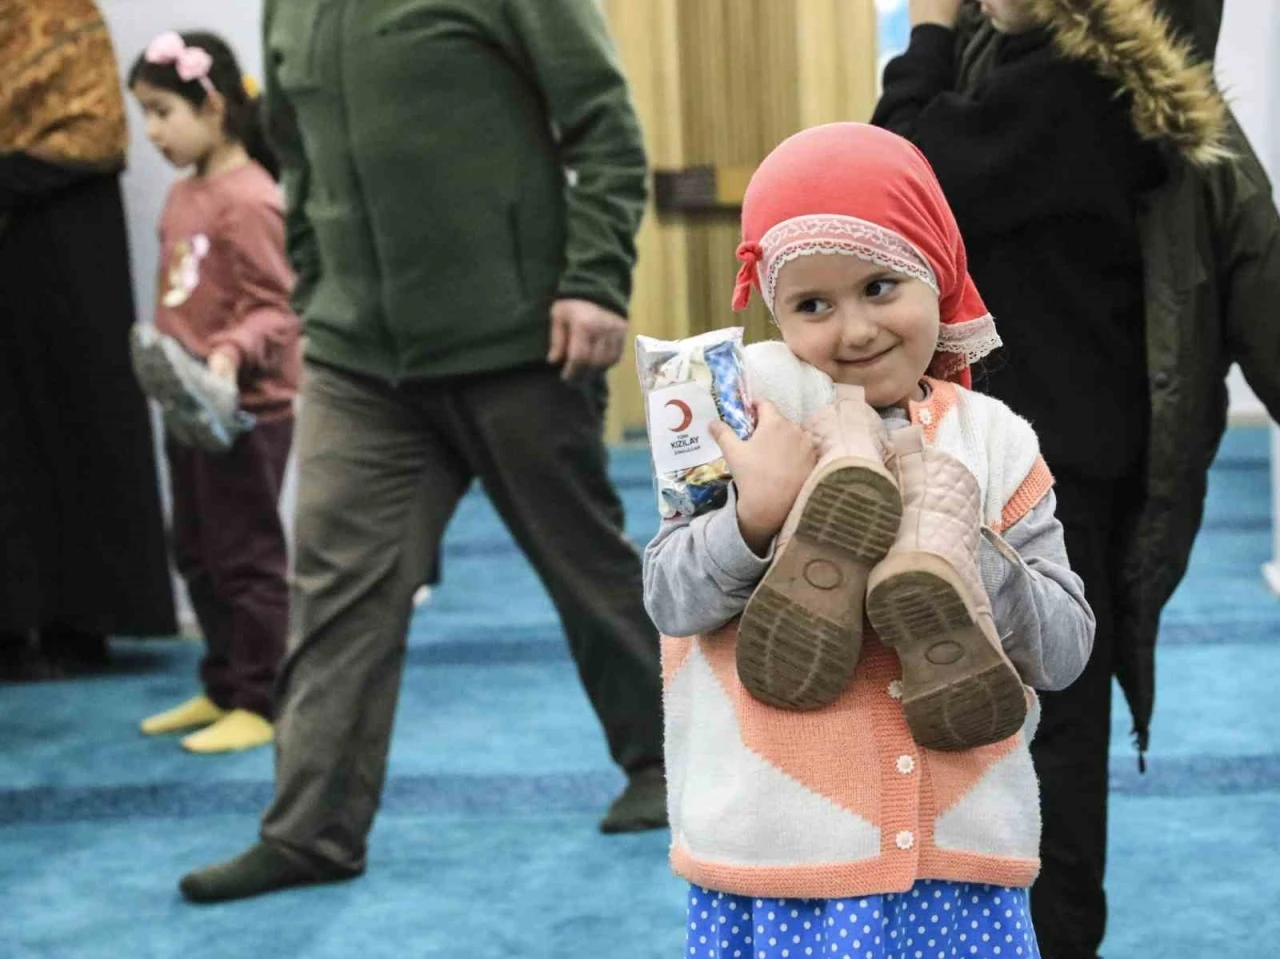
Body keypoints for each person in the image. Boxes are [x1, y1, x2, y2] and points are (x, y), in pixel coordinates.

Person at [178, 0, 665, 902]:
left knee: (584, 566)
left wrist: (594, 279)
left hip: (521, 342)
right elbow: (294, 155)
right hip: (361, 362)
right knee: (332, 589)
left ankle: (672, 766)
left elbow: (604, 124)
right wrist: (319, 296)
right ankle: (311, 831)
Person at [871, 2, 1280, 956]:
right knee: (1011, 745)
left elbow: (896, 185)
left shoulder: (1074, 84)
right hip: (1010, 462)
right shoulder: (1046, 67)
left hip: (1047, 485)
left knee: (1042, 765)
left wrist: (923, 35)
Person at [644, 121, 1095, 959]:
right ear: (774, 311)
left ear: (938, 272)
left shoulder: (994, 438)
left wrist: (970, 552)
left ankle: (925, 546)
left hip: (957, 851)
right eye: (813, 305)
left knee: (940, 504)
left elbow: (1064, 650)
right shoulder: (740, 409)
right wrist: (756, 516)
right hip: (776, 854)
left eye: (881, 286)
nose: (853, 332)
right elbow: (670, 596)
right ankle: (834, 510)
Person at [126, 31, 300, 754]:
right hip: (187, 409)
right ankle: (222, 683)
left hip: (245, 413)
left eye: (164, 112)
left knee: (246, 555)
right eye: (145, 116)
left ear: (214, 105)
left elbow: (278, 305)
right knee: (194, 548)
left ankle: (259, 698)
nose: (154, 132)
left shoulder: (251, 199)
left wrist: (228, 353)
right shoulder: (182, 195)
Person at [0, 0, 175, 678]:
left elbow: (96, 132)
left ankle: (85, 622)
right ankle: (10, 629)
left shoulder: (64, 15)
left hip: (63, 252)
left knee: (80, 424)